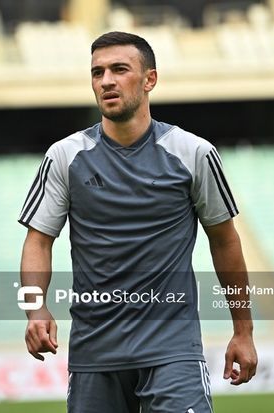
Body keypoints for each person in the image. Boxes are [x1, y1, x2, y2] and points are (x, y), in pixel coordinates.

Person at [18, 31, 257, 413]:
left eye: (119, 69)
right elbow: (38, 240)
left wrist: (243, 331)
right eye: (97, 72)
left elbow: (225, 241)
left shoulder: (193, 153)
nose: (106, 81)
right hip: (95, 355)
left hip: (172, 350)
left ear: (150, 79)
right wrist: (35, 308)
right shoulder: (65, 156)